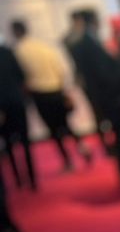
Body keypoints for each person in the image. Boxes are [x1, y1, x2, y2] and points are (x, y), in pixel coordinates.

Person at [65, 10, 120, 186]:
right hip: (111, 97)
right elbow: (104, 74)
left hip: (106, 97)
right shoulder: (88, 42)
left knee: (119, 135)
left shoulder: (85, 42)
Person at [10, 19, 92, 172]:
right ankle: (82, 147)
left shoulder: (19, 52)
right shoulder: (43, 47)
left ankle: (68, 161)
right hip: (56, 90)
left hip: (39, 93)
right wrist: (63, 88)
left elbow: (20, 76)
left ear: (15, 32)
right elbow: (60, 69)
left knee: (53, 130)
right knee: (66, 124)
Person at [0, 39, 36, 189]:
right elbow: (21, 75)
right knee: (24, 141)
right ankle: (32, 179)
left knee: (8, 143)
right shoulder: (7, 52)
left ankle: (18, 180)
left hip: (2, 107)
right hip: (17, 102)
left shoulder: (8, 51)